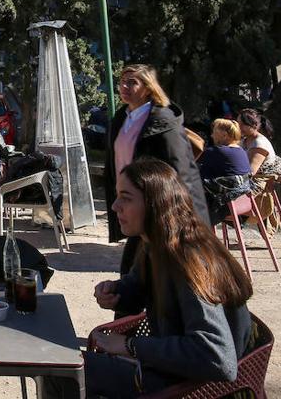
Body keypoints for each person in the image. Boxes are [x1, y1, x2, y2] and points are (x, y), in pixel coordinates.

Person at [86, 159, 254, 398]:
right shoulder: (156, 244)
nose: (114, 206)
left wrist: (129, 346)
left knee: (68, 370)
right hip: (169, 371)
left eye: (126, 197)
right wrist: (117, 292)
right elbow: (142, 287)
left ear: (155, 204)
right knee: (68, 366)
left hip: (193, 387)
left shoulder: (187, 262)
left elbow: (217, 356)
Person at [104, 64, 208, 272]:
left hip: (156, 204)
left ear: (149, 87)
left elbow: (179, 168)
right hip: (133, 201)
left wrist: (183, 212)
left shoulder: (162, 120)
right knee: (137, 266)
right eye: (122, 82)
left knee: (151, 267)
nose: (124, 86)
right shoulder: (122, 118)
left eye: (132, 82)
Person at [236, 108, 281, 232]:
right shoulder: (244, 140)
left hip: (255, 189)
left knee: (216, 201)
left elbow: (250, 172)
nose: (238, 127)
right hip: (246, 182)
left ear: (254, 125)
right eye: (238, 123)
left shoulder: (259, 144)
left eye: (242, 124)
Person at [198, 118, 252, 224]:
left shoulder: (215, 152)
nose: (212, 136)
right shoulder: (241, 151)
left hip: (222, 205)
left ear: (224, 135)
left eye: (214, 132)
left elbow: (200, 177)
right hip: (241, 202)